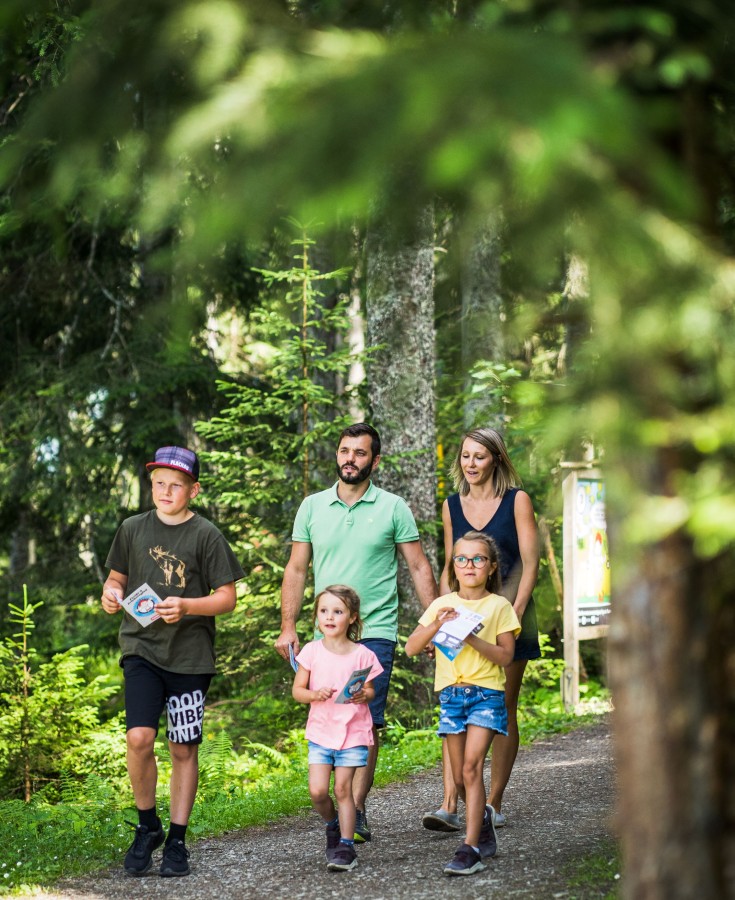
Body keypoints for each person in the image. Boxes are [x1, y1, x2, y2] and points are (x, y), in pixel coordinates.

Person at [275, 422, 438, 842]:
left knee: (365, 717)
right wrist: (288, 626)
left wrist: (434, 623)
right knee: (327, 712)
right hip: (324, 634)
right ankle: (335, 803)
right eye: (345, 450)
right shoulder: (312, 507)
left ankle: (356, 808)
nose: (351, 458)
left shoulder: (393, 507)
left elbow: (419, 566)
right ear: (338, 455)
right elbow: (296, 568)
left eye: (360, 453)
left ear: (375, 460)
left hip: (375, 632)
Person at [101, 446, 244, 878]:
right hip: (141, 650)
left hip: (189, 659)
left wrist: (187, 606)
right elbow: (116, 579)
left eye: (176, 484)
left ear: (193, 489)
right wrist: (109, 596)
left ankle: (178, 840)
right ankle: (148, 827)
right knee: (140, 738)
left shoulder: (206, 535)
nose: (166, 490)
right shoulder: (131, 528)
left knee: (183, 747)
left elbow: (227, 598)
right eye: (159, 482)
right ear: (151, 484)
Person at [422, 427, 540, 833]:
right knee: (455, 703)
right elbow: (450, 565)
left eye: (479, 456)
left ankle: (492, 803)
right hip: (463, 617)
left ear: (496, 460)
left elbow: (528, 561)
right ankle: (450, 803)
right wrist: (440, 615)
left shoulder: (517, 500)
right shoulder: (451, 505)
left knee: (502, 705)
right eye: (465, 456)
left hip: (508, 613)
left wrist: (514, 611)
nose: (470, 464)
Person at [406, 531, 521, 876]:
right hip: (452, 696)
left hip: (486, 694)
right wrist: (439, 624)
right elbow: (412, 647)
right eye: (461, 559)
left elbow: (504, 657)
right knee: (458, 777)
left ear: (491, 567)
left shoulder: (498, 606)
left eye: (478, 559)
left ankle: (469, 848)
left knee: (472, 768)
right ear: (453, 567)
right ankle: (481, 819)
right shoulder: (442, 605)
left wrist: (471, 637)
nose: (469, 565)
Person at [292, 585, 384, 873]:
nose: (329, 617)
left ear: (352, 617)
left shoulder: (363, 654)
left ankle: (346, 846)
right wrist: (314, 694)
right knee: (318, 791)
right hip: (321, 732)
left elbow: (370, 690)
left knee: (343, 789)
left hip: (353, 731)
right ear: (317, 616)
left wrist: (363, 695)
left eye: (338, 611)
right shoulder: (310, 651)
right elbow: (298, 691)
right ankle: (332, 824)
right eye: (324, 611)